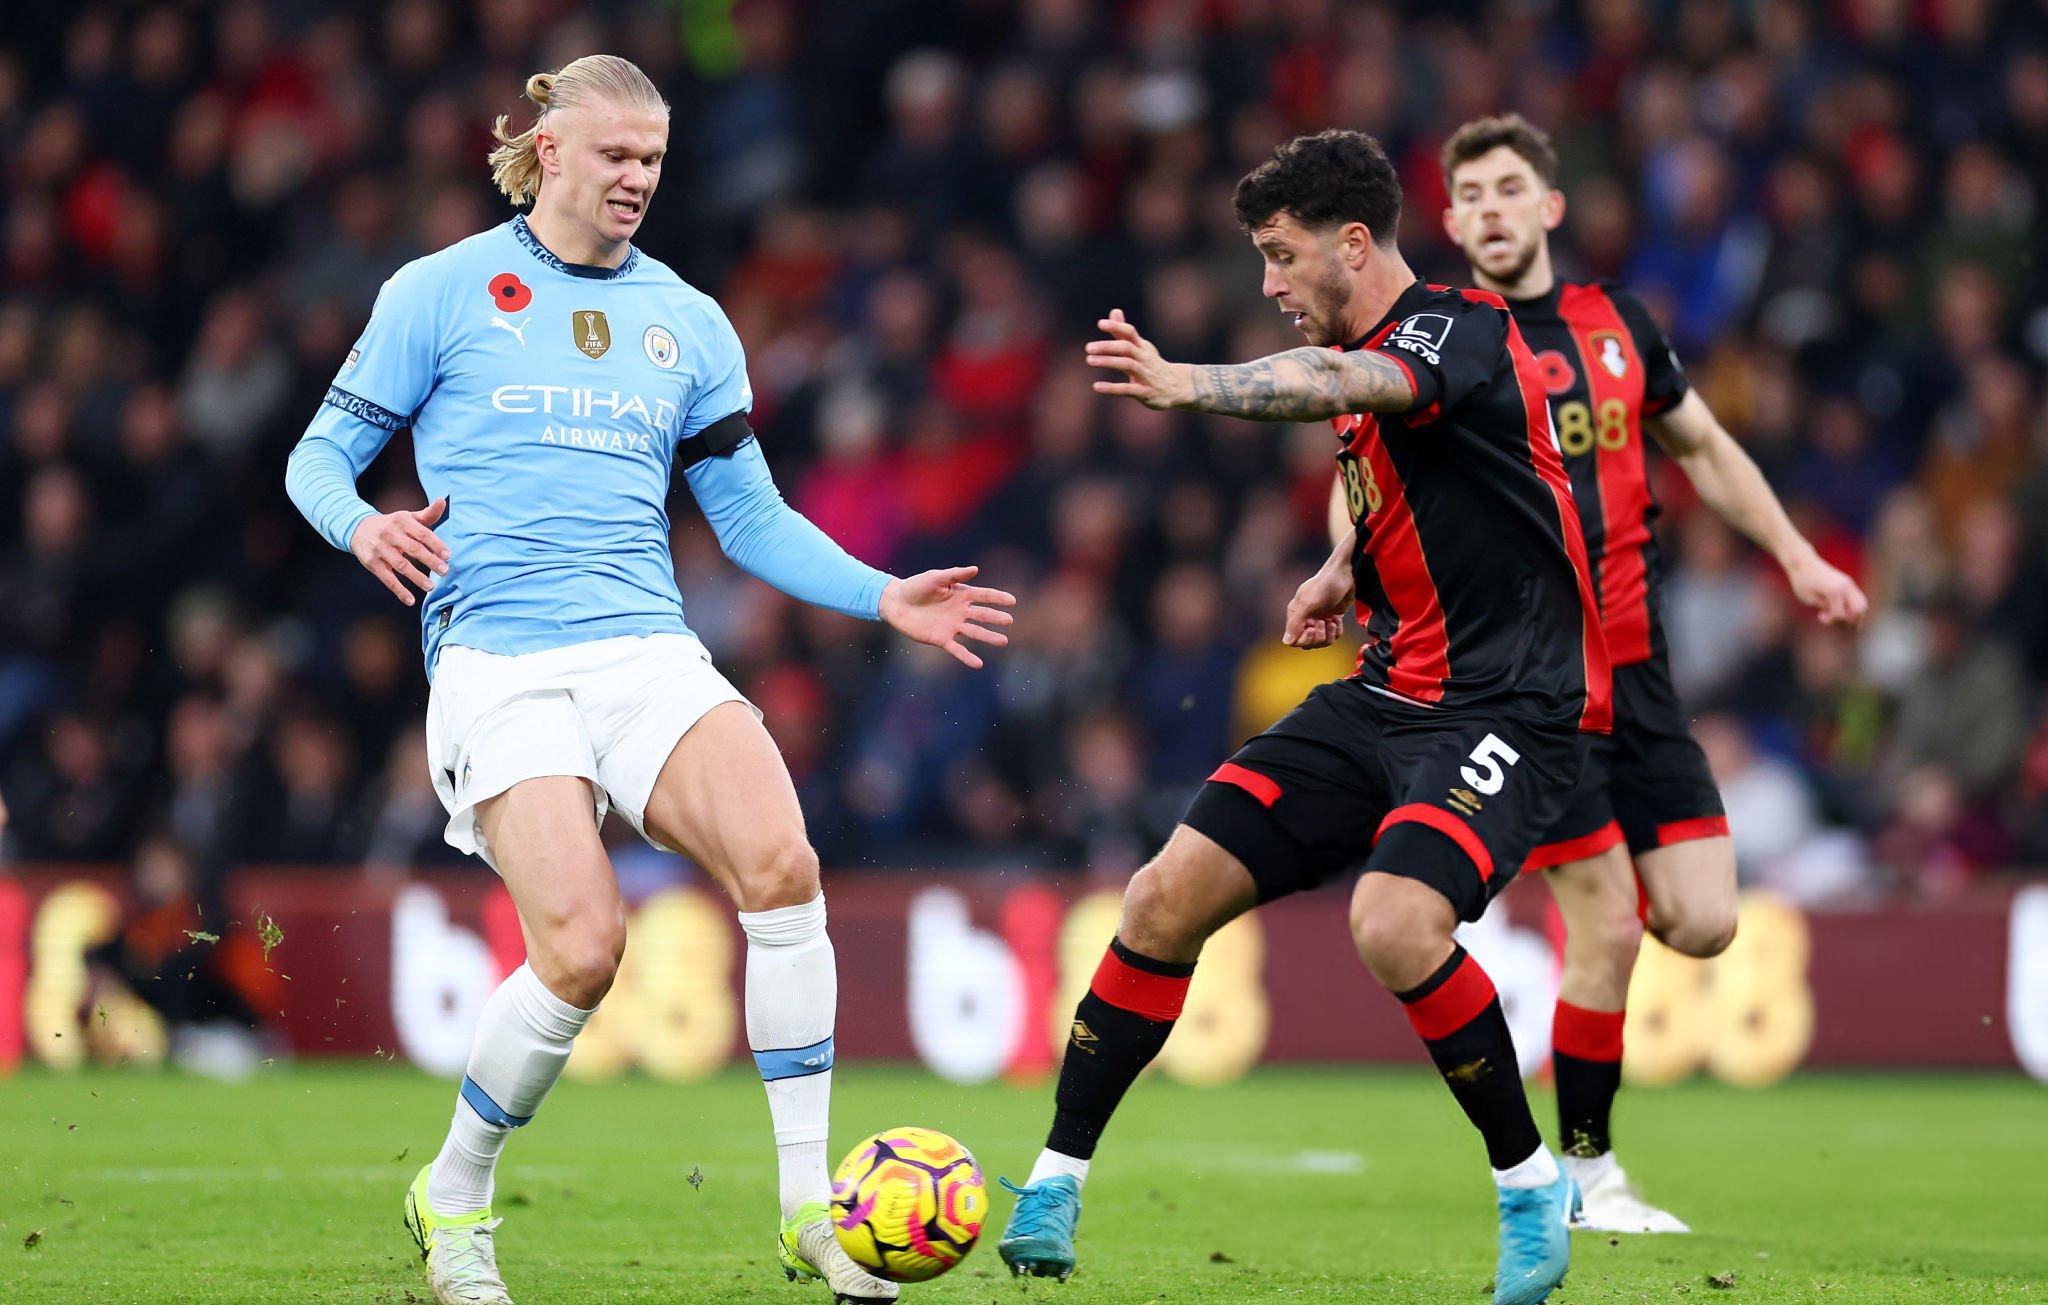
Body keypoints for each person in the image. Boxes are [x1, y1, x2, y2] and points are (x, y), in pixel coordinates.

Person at [284, 55, 1015, 1305]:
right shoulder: (440, 292)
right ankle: (454, 1194)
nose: (637, 179)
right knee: (580, 950)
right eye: (616, 155)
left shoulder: (689, 320)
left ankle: (806, 1214)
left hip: (642, 648)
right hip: (498, 659)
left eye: (654, 161)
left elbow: (750, 517)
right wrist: (363, 526)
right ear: (550, 149)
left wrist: (877, 593)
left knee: (784, 868)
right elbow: (317, 458)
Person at [996, 129, 1610, 1305]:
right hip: (1385, 691)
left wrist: (1183, 383)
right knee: (1160, 895)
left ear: (1351, 241)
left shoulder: (1454, 328)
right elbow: (1398, 472)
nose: (1268, 286)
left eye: (1278, 259)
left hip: (1508, 709)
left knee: (1391, 922)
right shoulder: (1359, 346)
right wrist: (1344, 561)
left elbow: (1355, 390)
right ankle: (1054, 1184)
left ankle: (1531, 1186)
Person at [1427, 113, 1866, 1232]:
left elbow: (1704, 448)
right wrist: (1341, 561)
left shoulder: (1617, 325)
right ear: (1447, 220)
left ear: (1548, 207)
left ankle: (1577, 1053)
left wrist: (1797, 555)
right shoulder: (1440, 342)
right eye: (1468, 192)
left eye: (1507, 187)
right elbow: (1364, 469)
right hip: (1538, 681)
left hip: (1642, 673)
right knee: (1609, 928)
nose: (1488, 207)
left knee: (1704, 922)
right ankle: (1584, 1171)